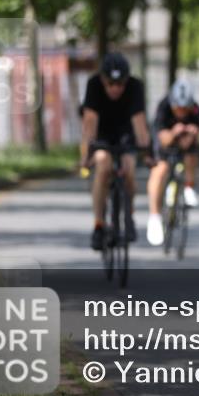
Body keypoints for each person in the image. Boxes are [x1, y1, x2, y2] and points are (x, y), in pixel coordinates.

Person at [79, 52, 151, 250]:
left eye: (120, 84)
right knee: (103, 165)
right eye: (111, 83)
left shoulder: (136, 87)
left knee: (128, 168)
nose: (116, 88)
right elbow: (90, 122)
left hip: (125, 131)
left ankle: (129, 216)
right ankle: (99, 225)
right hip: (102, 132)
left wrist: (148, 154)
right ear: (103, 80)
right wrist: (86, 155)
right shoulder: (93, 85)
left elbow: (139, 123)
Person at [145, 79, 199, 246]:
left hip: (185, 144)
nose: (181, 113)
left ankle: (189, 187)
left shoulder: (197, 112)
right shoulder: (163, 108)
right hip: (164, 141)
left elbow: (192, 143)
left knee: (191, 155)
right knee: (160, 169)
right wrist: (173, 132)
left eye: (185, 109)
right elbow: (162, 139)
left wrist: (190, 135)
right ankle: (155, 217)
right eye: (178, 108)